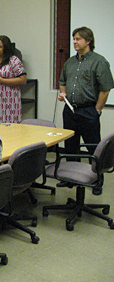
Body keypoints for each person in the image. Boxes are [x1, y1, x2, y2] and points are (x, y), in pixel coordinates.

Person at [57, 26, 114, 193]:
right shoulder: (70, 62)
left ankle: (97, 180)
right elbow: (62, 81)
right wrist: (63, 94)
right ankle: (69, 179)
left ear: (88, 41)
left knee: (93, 147)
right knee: (70, 145)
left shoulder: (99, 61)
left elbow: (105, 88)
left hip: (89, 110)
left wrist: (97, 110)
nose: (74, 42)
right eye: (73, 39)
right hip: (70, 110)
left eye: (78, 39)